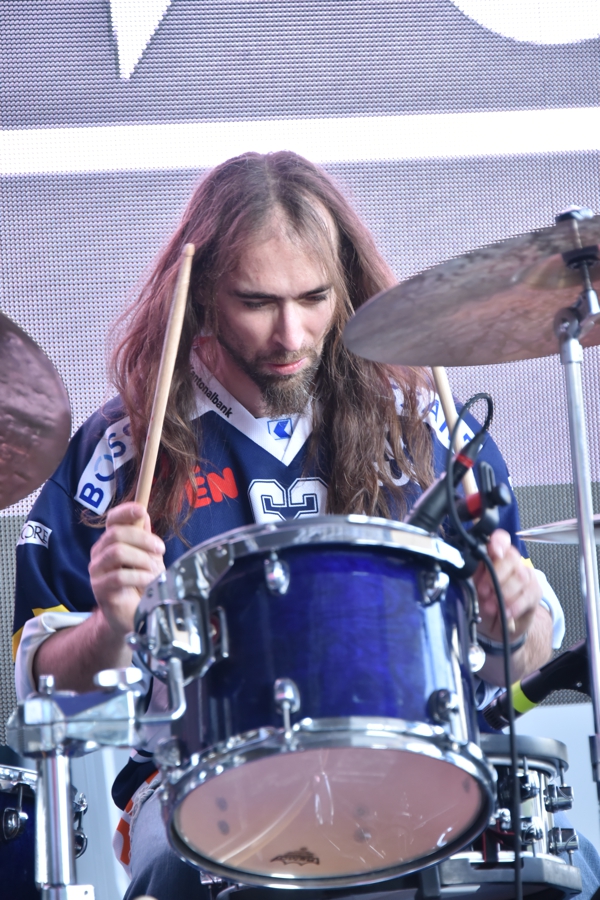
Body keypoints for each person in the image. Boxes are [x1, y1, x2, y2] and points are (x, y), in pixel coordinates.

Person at [13, 152, 568, 899]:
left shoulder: (428, 432)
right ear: (202, 295)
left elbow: (520, 665)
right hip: (194, 793)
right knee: (173, 874)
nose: (291, 334)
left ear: (345, 285)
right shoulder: (122, 452)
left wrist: (513, 624)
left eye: (314, 298)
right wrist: (110, 626)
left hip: (414, 779)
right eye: (257, 302)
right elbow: (46, 691)